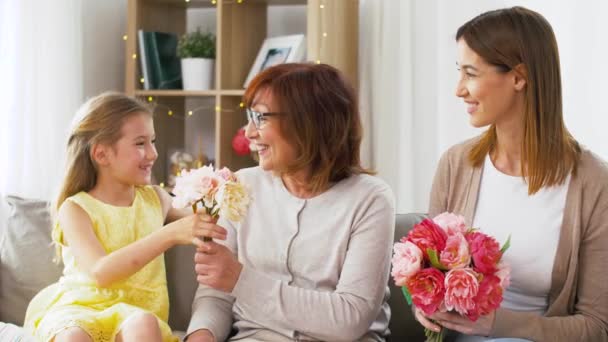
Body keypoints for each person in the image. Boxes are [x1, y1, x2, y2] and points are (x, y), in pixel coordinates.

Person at [417, 6, 608, 342]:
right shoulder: (456, 164)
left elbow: (596, 327)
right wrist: (425, 303)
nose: (458, 89)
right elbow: (430, 275)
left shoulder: (593, 184)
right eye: (458, 72)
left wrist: (499, 325)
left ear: (519, 77)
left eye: (471, 74)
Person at [186, 63, 396, 342]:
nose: (248, 132)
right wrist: (201, 336)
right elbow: (216, 292)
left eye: (261, 118)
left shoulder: (370, 199)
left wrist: (240, 280)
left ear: (307, 123)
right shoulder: (241, 186)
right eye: (249, 117)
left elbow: (350, 318)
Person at [24, 92, 225, 342]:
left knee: (144, 325)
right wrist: (169, 234)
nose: (153, 153)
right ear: (101, 155)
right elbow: (100, 272)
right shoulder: (75, 209)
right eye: (140, 143)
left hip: (138, 316)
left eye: (153, 141)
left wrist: (225, 191)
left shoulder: (156, 199)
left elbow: (205, 217)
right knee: (73, 335)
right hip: (80, 308)